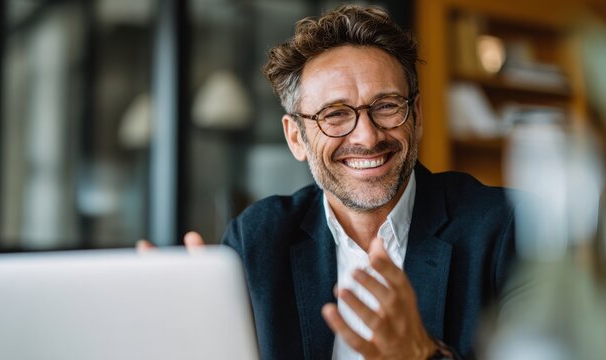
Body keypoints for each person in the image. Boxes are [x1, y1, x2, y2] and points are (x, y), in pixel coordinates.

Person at [140, 4, 522, 360]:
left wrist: (423, 354)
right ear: (295, 138)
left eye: (387, 106)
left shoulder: (510, 227)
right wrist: (187, 336)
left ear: (416, 115)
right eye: (334, 115)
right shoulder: (256, 239)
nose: (367, 137)